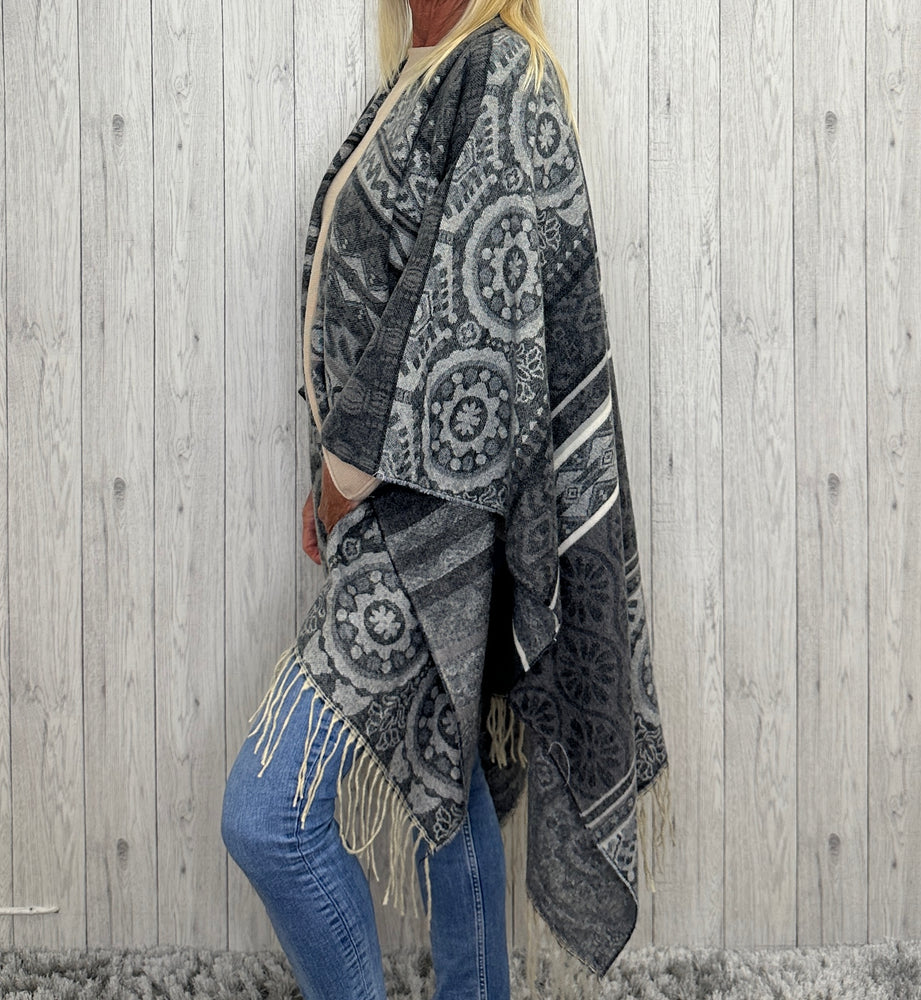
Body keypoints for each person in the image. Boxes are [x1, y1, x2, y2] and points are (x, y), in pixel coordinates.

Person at [221, 1, 672, 998]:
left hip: (436, 517)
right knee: (450, 792)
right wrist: (335, 480)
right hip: (387, 505)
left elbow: (460, 319)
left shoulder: (499, 70)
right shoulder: (419, 70)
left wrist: (342, 479)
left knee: (267, 817)